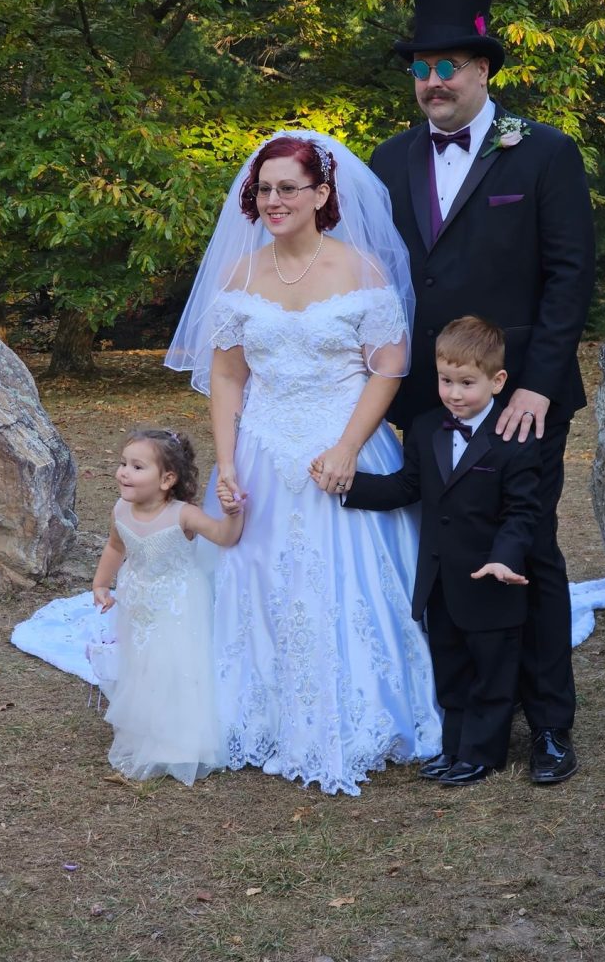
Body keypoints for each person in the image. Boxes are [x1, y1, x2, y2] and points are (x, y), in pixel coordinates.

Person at [165, 132, 441, 796]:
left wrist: (347, 447)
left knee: (351, 586)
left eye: (289, 187)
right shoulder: (241, 276)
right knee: (255, 582)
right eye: (264, 188)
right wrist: (227, 464)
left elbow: (389, 367)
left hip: (343, 447)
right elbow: (228, 377)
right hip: (261, 454)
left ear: (322, 194)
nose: (274, 199)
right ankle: (260, 712)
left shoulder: (360, 270)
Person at [370, 0, 596, 783]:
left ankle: (552, 726)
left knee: (526, 547)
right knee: (447, 555)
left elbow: (571, 275)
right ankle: (471, 724)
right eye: (422, 66)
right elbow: (375, 277)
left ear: (482, 68)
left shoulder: (543, 150)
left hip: (518, 394)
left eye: (450, 65)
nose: (434, 80)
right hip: (429, 394)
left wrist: (532, 386)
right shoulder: (388, 160)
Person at [321, 317, 542, 784]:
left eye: (467, 383)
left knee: (491, 674)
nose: (454, 394)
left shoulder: (515, 441)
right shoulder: (426, 428)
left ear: (497, 380)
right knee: (452, 667)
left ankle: (482, 754)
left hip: (492, 578)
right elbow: (407, 486)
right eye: (446, 381)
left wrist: (504, 557)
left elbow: (523, 513)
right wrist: (347, 486)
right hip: (440, 578)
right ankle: (454, 746)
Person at [92, 429, 243, 786]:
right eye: (123, 463)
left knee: (175, 665)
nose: (123, 472)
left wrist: (233, 513)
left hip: (178, 603)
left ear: (167, 479)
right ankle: (149, 728)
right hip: (138, 599)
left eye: (137, 466)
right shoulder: (120, 510)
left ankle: (182, 740)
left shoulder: (184, 516)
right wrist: (101, 583)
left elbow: (225, 537)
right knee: (143, 664)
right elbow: (115, 548)